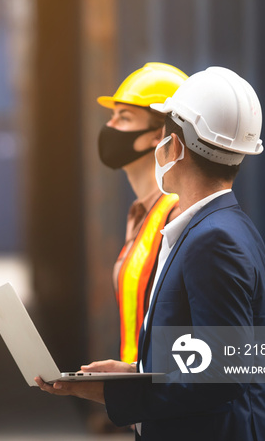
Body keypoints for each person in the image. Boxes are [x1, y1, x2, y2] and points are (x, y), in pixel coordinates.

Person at [36, 66, 265, 441]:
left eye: (166, 134)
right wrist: (138, 371)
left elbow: (221, 376)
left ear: (174, 147)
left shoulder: (214, 241)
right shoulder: (224, 227)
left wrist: (108, 391)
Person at [96, 62, 186, 364]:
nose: (109, 128)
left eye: (124, 118)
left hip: (161, 399)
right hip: (143, 399)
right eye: (112, 116)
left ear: (157, 134)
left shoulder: (177, 217)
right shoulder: (142, 214)